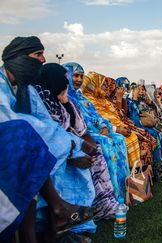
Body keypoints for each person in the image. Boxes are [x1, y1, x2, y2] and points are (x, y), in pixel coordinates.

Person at [0, 36, 95, 242]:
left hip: (23, 146)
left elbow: (47, 123)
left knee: (46, 152)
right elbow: (12, 122)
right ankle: (57, 212)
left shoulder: (27, 89)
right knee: (26, 138)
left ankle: (54, 227)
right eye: (38, 54)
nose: (43, 60)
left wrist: (74, 146)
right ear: (17, 58)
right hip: (9, 145)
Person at [36, 63, 119, 221]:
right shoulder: (41, 103)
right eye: (69, 77)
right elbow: (50, 135)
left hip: (72, 145)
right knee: (99, 148)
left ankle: (104, 203)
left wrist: (66, 102)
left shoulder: (68, 101)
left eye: (80, 76)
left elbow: (80, 128)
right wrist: (73, 154)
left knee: (98, 151)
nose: (67, 83)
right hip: (55, 153)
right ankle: (73, 216)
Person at [63, 62, 130, 204]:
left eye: (81, 76)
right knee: (106, 142)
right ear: (67, 75)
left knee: (118, 139)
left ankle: (124, 190)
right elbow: (79, 122)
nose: (79, 80)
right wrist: (101, 130)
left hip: (97, 130)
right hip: (80, 134)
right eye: (75, 76)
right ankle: (109, 197)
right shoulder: (66, 97)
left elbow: (96, 116)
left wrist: (104, 126)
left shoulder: (82, 98)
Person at [82, 72, 156, 168]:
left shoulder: (103, 100)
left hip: (120, 125)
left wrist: (123, 98)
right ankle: (135, 172)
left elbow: (120, 114)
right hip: (108, 129)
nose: (106, 87)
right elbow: (117, 115)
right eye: (103, 84)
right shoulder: (88, 100)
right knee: (139, 140)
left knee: (149, 137)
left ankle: (145, 171)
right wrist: (120, 99)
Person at [126, 83, 162, 173]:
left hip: (152, 124)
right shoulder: (130, 101)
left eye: (143, 89)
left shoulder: (145, 101)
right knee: (157, 135)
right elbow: (134, 118)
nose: (141, 91)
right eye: (139, 89)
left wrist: (151, 103)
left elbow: (157, 114)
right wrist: (135, 98)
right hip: (140, 127)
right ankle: (161, 168)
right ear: (133, 91)